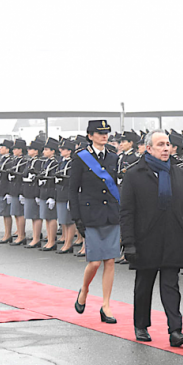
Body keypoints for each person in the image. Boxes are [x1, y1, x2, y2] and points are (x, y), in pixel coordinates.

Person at [121, 130, 183, 346]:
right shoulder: (134, 174)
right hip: (146, 240)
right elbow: (127, 211)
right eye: (160, 144)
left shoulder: (179, 174)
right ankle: (141, 325)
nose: (166, 148)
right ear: (149, 148)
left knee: (171, 285)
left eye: (168, 144)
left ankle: (175, 330)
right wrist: (129, 243)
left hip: (173, 237)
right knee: (144, 285)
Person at [71, 120, 121, 324]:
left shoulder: (113, 157)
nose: (104, 136)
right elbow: (73, 191)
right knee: (94, 262)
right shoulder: (80, 158)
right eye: (99, 133)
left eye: (106, 132)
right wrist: (77, 218)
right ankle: (84, 289)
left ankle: (106, 305)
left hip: (111, 213)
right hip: (90, 215)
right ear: (90, 135)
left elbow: (115, 184)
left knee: (110, 260)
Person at [55, 139, 76, 254]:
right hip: (60, 192)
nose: (61, 151)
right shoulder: (62, 162)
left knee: (69, 221)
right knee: (63, 220)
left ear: (69, 151)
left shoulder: (72, 163)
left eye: (63, 149)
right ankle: (66, 242)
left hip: (67, 192)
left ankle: (69, 243)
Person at [0, 140, 14, 243]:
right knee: (4, 213)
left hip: (5, 189)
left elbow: (9, 177)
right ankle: (6, 233)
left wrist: (9, 192)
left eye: (2, 147)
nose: (0, 149)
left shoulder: (9, 161)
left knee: (7, 213)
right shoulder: (2, 160)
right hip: (0, 189)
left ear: (7, 149)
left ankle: (8, 234)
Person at [8, 139, 28, 246]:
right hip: (14, 189)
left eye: (16, 149)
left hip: (19, 189)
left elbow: (22, 177)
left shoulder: (24, 161)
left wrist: (21, 192)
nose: (14, 151)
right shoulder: (15, 160)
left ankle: (21, 236)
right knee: (16, 213)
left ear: (21, 150)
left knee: (19, 214)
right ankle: (19, 233)